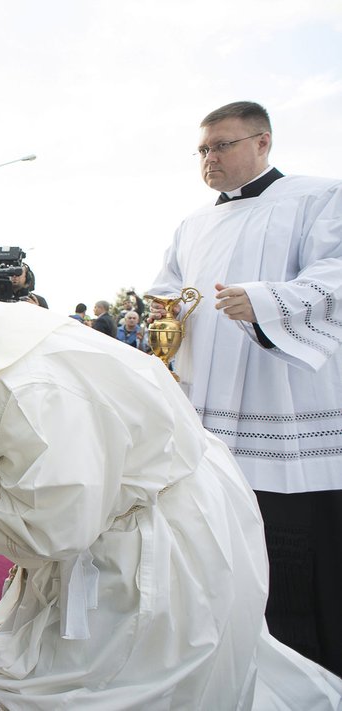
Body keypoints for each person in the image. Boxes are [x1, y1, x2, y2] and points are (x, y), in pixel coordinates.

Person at [0, 300, 342, 710]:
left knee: (93, 691)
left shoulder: (24, 390)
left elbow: (55, 528)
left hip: (161, 534)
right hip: (150, 494)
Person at [148, 100, 342, 675]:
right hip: (211, 413)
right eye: (203, 149)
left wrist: (263, 303)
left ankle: (309, 666)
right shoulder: (192, 225)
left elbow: (334, 279)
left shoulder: (319, 197)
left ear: (263, 143)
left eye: (223, 145)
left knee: (294, 556)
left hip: (285, 407)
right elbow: (167, 292)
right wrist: (163, 320)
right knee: (221, 546)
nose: (210, 158)